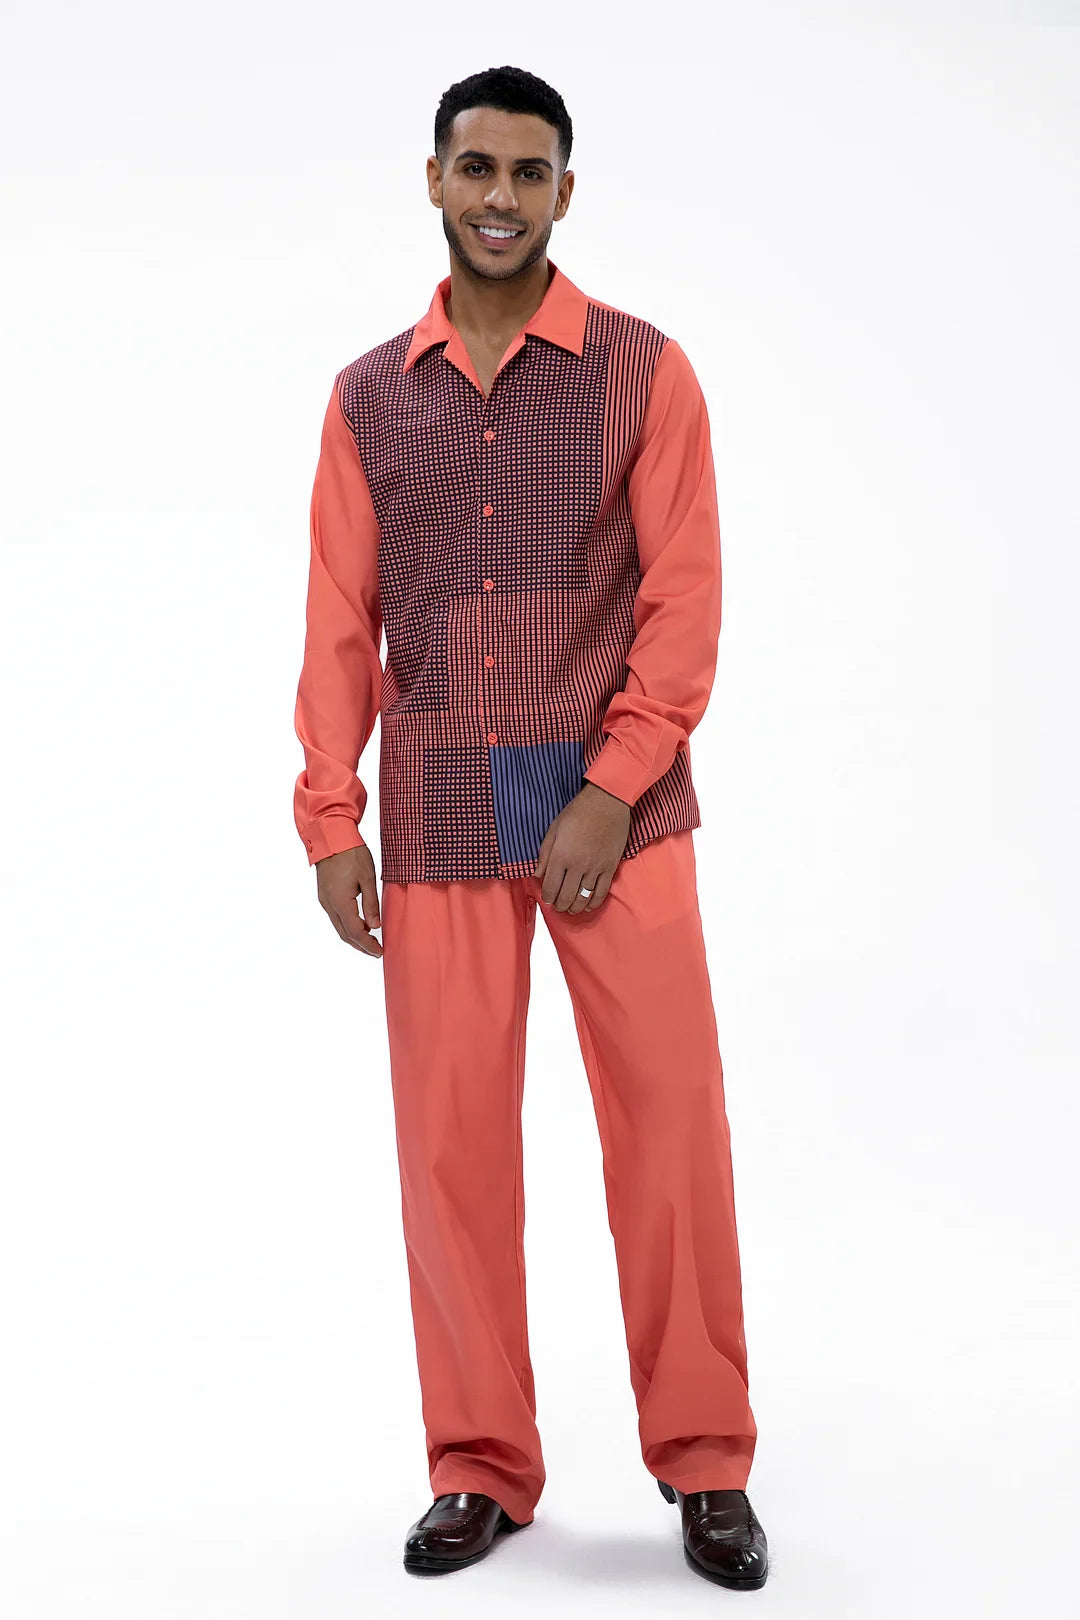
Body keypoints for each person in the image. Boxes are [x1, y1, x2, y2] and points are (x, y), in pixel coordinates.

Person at [292, 63, 769, 1591]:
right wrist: (329, 813)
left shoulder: (645, 373)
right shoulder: (369, 396)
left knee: (671, 1136)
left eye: (529, 172)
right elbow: (340, 614)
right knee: (451, 1151)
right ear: (435, 180)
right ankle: (480, 1466)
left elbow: (683, 602)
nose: (500, 196)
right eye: (477, 167)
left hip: (612, 809)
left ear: (566, 191)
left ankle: (705, 1460)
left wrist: (610, 790)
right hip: (439, 799)